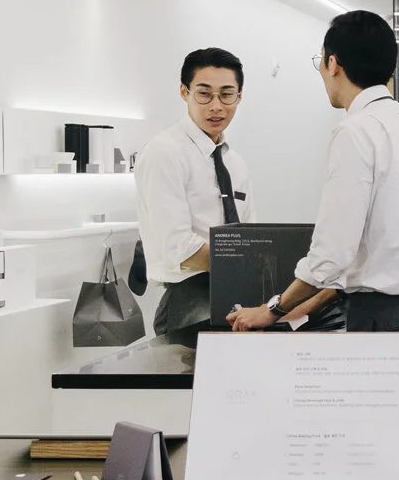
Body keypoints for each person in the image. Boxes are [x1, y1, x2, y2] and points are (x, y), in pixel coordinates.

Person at [227, 10, 399, 433]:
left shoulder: (355, 132)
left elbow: (332, 254)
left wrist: (273, 309)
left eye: (320, 62)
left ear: (333, 63)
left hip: (386, 326)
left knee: (378, 458)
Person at [134, 48, 335, 346]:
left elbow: (250, 235)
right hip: (190, 299)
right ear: (184, 92)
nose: (216, 106)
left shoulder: (235, 163)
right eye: (204, 94)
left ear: (239, 97)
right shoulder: (164, 153)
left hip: (241, 293)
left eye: (227, 95)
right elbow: (178, 248)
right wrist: (247, 260)